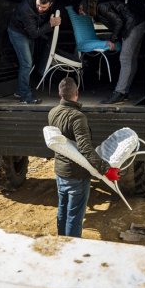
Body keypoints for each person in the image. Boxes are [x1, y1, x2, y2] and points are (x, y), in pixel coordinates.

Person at [48, 77, 120, 237]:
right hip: (77, 175)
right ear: (77, 93)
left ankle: (61, 244)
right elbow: (85, 148)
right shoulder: (77, 117)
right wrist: (105, 169)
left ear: (60, 94)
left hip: (60, 172)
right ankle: (71, 251)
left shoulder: (53, 112)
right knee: (74, 216)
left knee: (63, 210)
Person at [79, 0, 145, 105]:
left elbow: (118, 22)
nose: (81, 12)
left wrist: (113, 39)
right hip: (137, 23)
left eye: (81, 9)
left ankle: (119, 92)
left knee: (125, 58)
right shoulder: (100, 9)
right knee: (131, 59)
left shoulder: (101, 7)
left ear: (87, 7)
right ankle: (125, 91)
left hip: (133, 24)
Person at [8, 0, 62, 104]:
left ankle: (19, 91)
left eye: (43, 7)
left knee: (28, 63)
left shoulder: (50, 1)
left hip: (29, 32)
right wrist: (50, 24)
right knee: (26, 63)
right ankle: (25, 96)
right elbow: (34, 33)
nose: (40, 9)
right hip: (18, 33)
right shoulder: (26, 9)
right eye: (38, 6)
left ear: (50, 4)